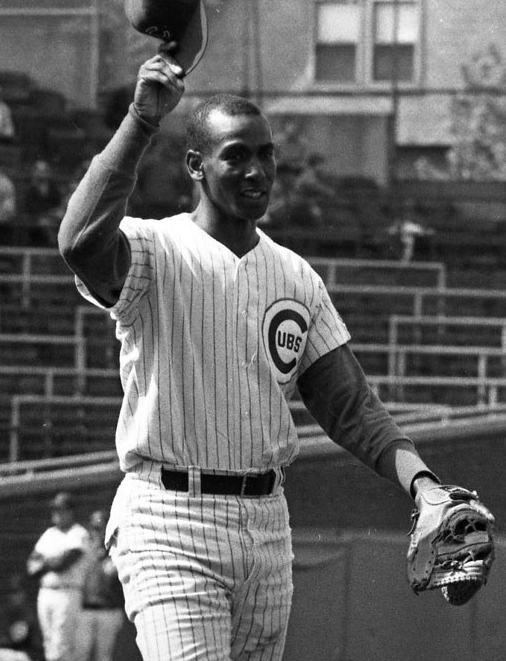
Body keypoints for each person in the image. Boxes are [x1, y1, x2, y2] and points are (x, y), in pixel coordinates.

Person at [57, 54, 457, 660]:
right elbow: (79, 240)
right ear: (196, 165)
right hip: (170, 520)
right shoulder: (153, 249)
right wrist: (142, 119)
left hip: (267, 528)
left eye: (265, 153)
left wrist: (424, 485)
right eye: (236, 154)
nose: (256, 169)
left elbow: (351, 407)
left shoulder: (295, 277)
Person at [27, 492, 88, 661]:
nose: (56, 513)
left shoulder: (78, 533)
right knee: (48, 642)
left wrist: (45, 561)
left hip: (67, 592)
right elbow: (31, 566)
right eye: (54, 509)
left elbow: (64, 564)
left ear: (70, 511)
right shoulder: (49, 533)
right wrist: (52, 559)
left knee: (61, 643)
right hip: (46, 591)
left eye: (60, 509)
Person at [77, 510, 124, 661]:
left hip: (108, 611)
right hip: (85, 610)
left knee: (103, 657)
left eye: (99, 527)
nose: (95, 531)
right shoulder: (85, 551)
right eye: (93, 527)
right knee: (81, 654)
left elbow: (110, 578)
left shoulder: (117, 550)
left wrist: (104, 552)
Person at [0, 578, 40, 661]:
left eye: (16, 592)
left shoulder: (31, 616)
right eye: (9, 593)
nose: (12, 597)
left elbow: (34, 647)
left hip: (22, 655)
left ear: (23, 594)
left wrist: (0, 643)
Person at [22, 161, 63, 247]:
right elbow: (30, 206)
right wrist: (46, 213)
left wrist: (53, 212)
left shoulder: (53, 187)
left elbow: (58, 202)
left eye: (44, 171)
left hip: (53, 215)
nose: (42, 174)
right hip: (36, 217)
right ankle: (53, 244)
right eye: (39, 171)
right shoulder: (30, 189)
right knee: (45, 222)